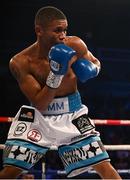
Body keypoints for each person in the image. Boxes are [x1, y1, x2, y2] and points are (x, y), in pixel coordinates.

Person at [0, 6, 121, 179]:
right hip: (38, 117)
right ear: (39, 30)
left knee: (103, 165)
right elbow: (40, 104)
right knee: (11, 171)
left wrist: (92, 70)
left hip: (73, 113)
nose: (63, 35)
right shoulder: (21, 62)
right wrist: (56, 73)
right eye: (57, 30)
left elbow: (96, 62)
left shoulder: (75, 44)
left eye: (65, 30)